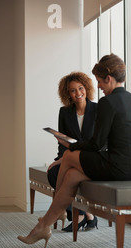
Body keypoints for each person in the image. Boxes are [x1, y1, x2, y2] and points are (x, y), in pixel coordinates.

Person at [18, 54, 131, 247]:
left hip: (119, 166)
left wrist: (71, 145)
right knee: (71, 176)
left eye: (99, 82)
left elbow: (96, 143)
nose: (98, 87)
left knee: (70, 156)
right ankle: (43, 227)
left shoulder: (107, 102)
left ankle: (59, 210)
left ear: (109, 78)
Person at [47, 72, 99, 232]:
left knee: (70, 175)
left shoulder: (98, 110)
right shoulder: (65, 112)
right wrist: (61, 159)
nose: (78, 93)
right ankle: (86, 214)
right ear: (67, 94)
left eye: (80, 88)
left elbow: (99, 142)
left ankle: (79, 216)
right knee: (53, 172)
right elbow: (63, 143)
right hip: (70, 157)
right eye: (73, 90)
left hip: (90, 158)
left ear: (86, 88)